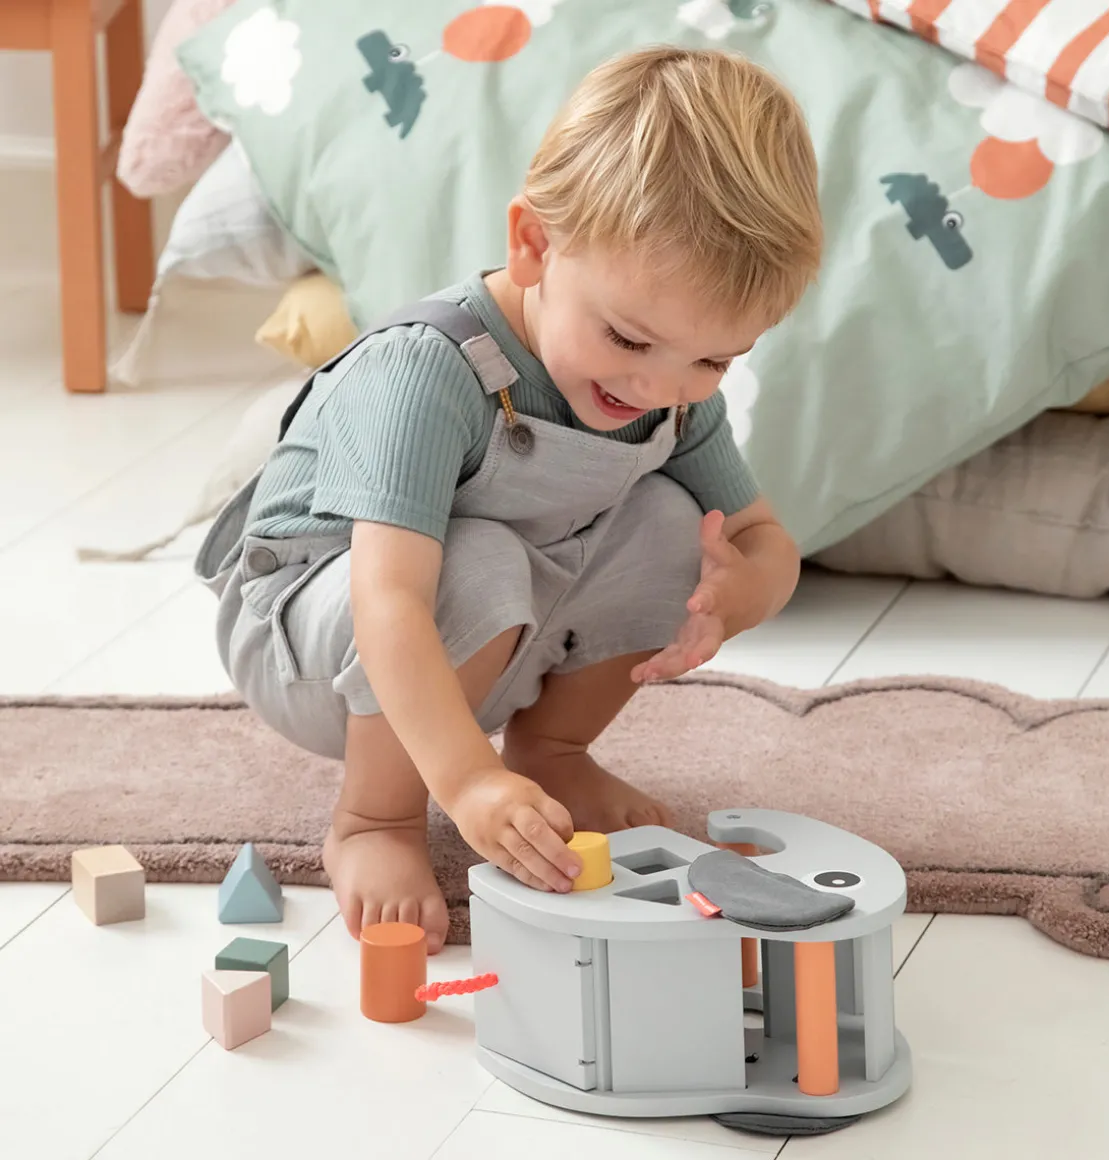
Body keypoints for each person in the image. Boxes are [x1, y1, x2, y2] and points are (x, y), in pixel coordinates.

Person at [194, 44, 824, 953]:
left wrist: (738, 593)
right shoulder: (427, 369)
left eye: (713, 359)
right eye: (628, 340)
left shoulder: (671, 394)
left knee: (677, 526)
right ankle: (375, 818)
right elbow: (389, 597)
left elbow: (764, 538)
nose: (659, 387)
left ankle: (551, 751)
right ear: (533, 246)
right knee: (481, 556)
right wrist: (465, 783)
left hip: (491, 634)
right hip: (313, 640)